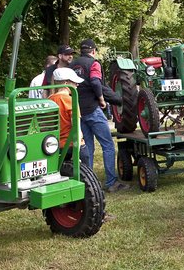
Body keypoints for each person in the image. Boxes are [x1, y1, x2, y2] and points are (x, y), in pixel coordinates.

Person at [72, 38, 128, 192]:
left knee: (88, 147)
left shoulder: (73, 65)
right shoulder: (93, 64)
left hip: (79, 111)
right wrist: (102, 99)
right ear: (94, 51)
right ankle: (111, 183)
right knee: (108, 145)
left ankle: (89, 184)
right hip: (93, 110)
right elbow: (96, 83)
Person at [49, 66, 87, 162]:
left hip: (56, 149)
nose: (77, 85)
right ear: (66, 83)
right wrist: (76, 154)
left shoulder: (49, 101)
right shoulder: (70, 101)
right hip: (71, 147)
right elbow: (76, 129)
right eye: (74, 82)